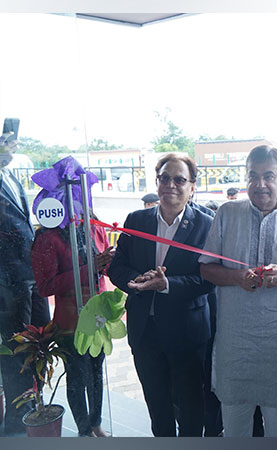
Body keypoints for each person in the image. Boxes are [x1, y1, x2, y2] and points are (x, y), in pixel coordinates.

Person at [199, 145, 277, 437]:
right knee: (235, 425)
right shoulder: (227, 213)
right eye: (253, 176)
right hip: (236, 344)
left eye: (268, 176)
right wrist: (238, 277)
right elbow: (206, 269)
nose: (260, 184)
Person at [107, 153, 214, 437]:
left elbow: (209, 279)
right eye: (164, 178)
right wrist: (137, 281)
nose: (171, 185)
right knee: (158, 408)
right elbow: (117, 267)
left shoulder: (208, 224)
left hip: (187, 336)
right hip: (145, 334)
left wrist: (167, 285)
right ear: (156, 182)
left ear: (192, 186)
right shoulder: (136, 220)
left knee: (191, 410)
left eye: (179, 179)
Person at [31, 216, 113, 437]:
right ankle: (84, 431)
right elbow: (45, 286)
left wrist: (109, 263)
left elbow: (104, 272)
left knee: (96, 374)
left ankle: (96, 423)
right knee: (77, 378)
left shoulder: (94, 226)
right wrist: (90, 268)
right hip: (70, 322)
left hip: (98, 318)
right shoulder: (49, 236)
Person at [0, 132, 50, 435]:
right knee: (16, 351)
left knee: (40, 342)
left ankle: (37, 407)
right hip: (5, 284)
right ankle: (18, 423)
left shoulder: (12, 178)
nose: (11, 149)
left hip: (31, 277)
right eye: (7, 144)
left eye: (13, 145)